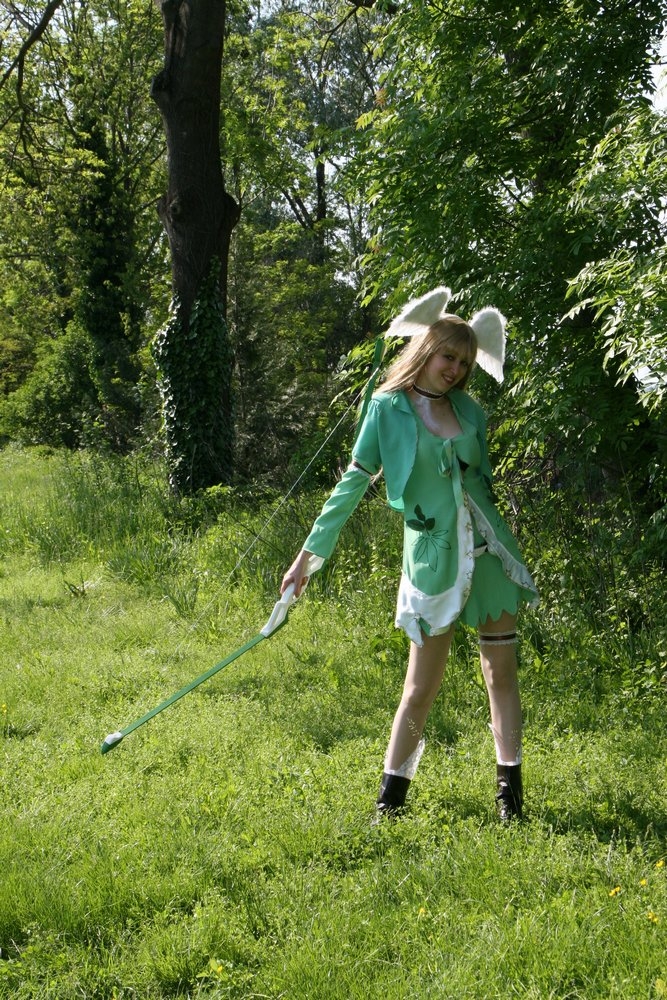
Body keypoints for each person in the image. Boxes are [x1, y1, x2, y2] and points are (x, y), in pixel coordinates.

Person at [281, 287, 539, 822]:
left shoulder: (470, 411)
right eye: (448, 356)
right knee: (420, 687)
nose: (455, 369)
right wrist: (308, 556)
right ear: (425, 348)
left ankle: (510, 801)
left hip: (490, 553)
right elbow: (352, 483)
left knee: (501, 674)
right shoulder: (386, 408)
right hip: (431, 559)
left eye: (464, 362)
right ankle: (390, 802)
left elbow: (482, 483)